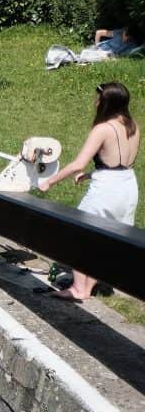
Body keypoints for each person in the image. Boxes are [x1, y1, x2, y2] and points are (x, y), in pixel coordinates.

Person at [39, 82, 139, 302]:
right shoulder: (133, 126)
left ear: (107, 102)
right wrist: (91, 174)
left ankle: (79, 289)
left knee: (79, 234)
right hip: (128, 186)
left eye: (99, 98)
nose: (95, 102)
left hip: (106, 190)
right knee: (107, 238)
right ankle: (91, 284)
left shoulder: (102, 129)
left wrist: (49, 181)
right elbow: (119, 164)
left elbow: (78, 163)